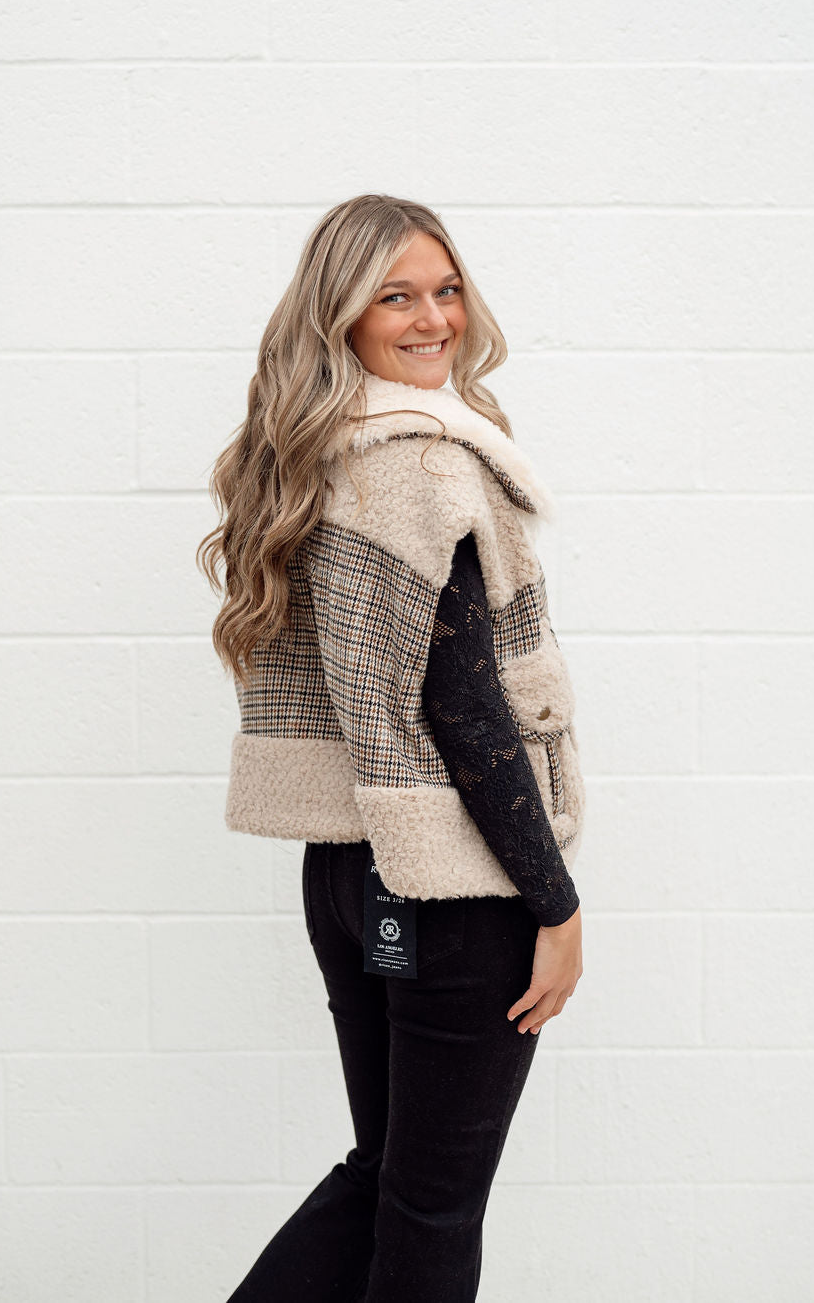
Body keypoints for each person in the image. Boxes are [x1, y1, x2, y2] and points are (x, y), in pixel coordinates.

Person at [198, 193, 586, 1303]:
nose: (434, 319)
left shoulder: (306, 459)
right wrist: (554, 905)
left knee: (386, 1178)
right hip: (450, 890)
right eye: (396, 297)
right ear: (343, 317)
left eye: (446, 289)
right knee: (433, 1208)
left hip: (345, 875)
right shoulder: (425, 465)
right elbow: (467, 713)